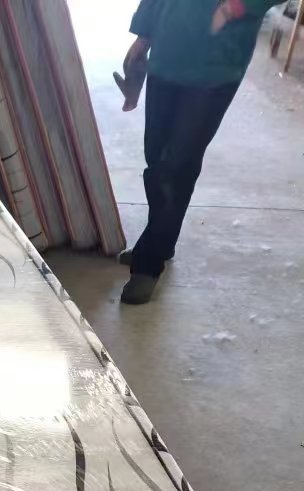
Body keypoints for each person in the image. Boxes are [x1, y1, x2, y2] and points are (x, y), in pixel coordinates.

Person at [121, 0, 282, 304]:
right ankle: (161, 240)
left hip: (215, 67)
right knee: (155, 158)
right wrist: (143, 35)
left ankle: (148, 263)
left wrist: (236, 6)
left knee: (177, 166)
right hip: (167, 55)